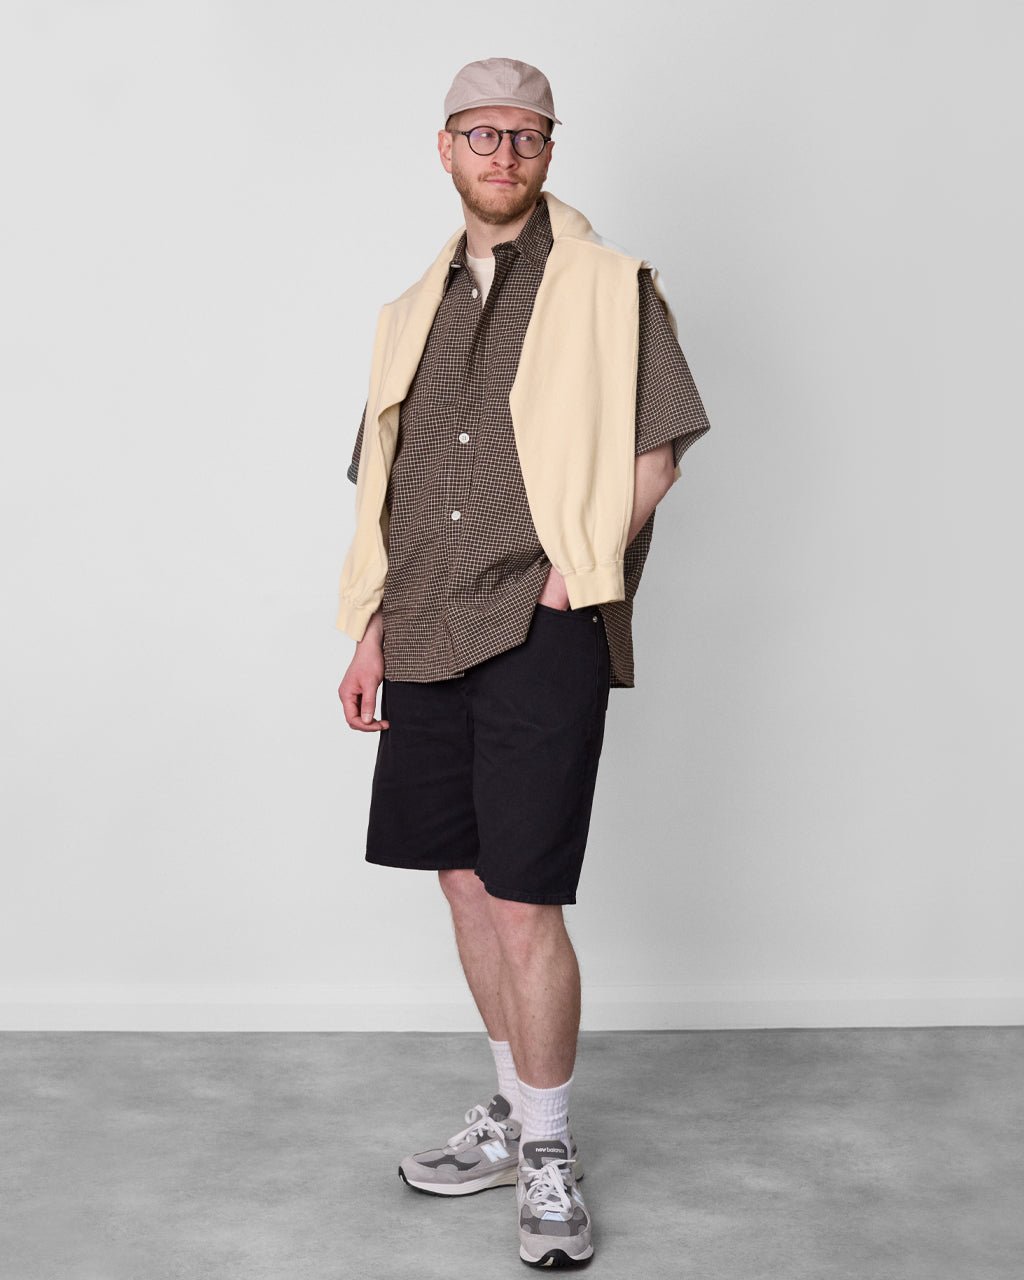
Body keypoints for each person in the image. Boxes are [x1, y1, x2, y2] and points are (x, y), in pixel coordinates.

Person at [336, 57, 709, 1269]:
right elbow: (387, 484)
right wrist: (371, 628)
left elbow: (658, 451)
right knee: (459, 880)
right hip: (424, 622)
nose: (505, 154)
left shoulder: (608, 284)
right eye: (482, 134)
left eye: (527, 136)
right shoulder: (409, 309)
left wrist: (570, 576)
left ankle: (548, 1146)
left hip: (540, 619)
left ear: (550, 150)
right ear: (444, 146)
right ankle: (508, 1111)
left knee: (521, 892)